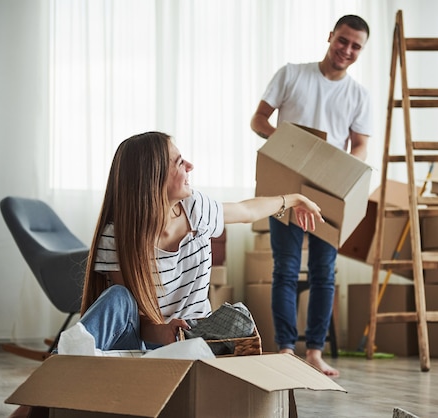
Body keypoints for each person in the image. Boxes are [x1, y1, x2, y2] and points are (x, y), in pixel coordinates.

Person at [75, 131, 323, 352]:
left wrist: (295, 199)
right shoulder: (117, 236)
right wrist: (162, 332)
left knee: (239, 318)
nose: (190, 166)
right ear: (154, 176)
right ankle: (61, 368)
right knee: (118, 298)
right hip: (145, 340)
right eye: (180, 162)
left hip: (194, 336)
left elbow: (246, 211)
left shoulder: (196, 208)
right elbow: (134, 319)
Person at [250, 15, 372, 376]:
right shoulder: (292, 74)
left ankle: (315, 353)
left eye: (356, 46)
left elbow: (361, 145)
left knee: (324, 273)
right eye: (343, 41)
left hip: (330, 191)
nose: (346, 50)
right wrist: (286, 148)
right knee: (285, 270)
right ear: (330, 36)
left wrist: (342, 166)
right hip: (285, 186)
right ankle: (287, 349)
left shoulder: (358, 95)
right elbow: (259, 119)